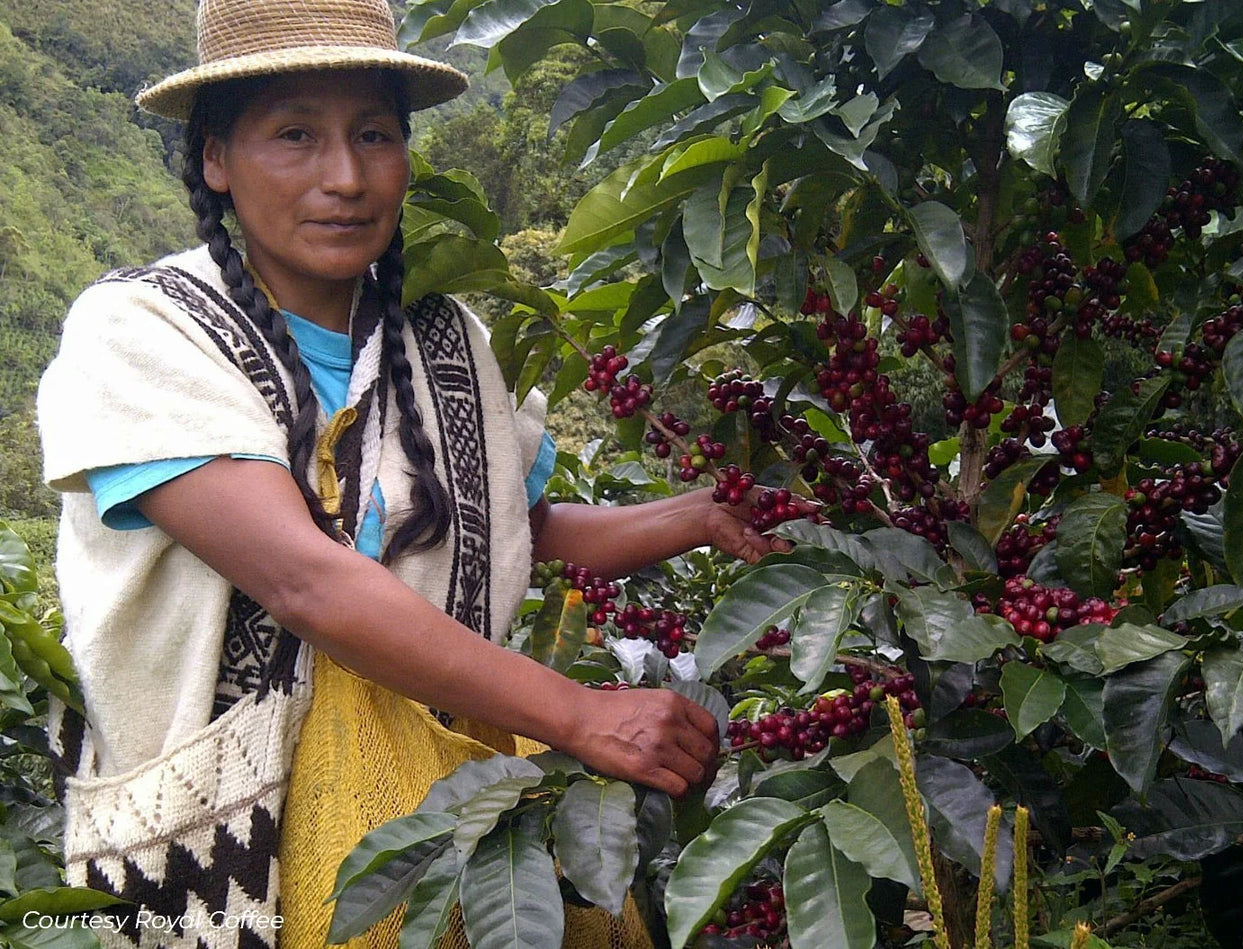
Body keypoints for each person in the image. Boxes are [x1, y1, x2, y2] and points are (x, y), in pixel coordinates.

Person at [35, 0, 796, 944]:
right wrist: (580, 713)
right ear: (215, 157)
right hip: (243, 827)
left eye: (375, 135)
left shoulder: (445, 339)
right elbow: (303, 580)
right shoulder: (143, 332)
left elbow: (515, 524)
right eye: (295, 135)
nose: (345, 177)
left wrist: (704, 513)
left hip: (459, 788)